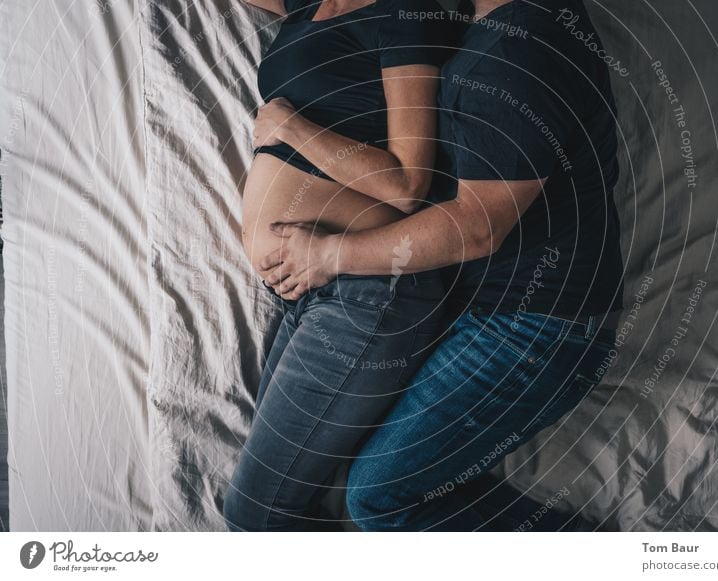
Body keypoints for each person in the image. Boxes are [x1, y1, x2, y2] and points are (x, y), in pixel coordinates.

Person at [257, 0, 625, 531]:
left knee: (379, 497)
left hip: (536, 329)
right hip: (477, 310)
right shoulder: (493, 26)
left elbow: (476, 225)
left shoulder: (520, 47)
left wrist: (329, 255)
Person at [223, 0, 455, 531]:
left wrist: (288, 126)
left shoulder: (402, 14)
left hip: (368, 289)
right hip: (313, 294)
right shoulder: (306, 7)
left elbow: (406, 185)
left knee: (254, 518)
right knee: (283, 509)